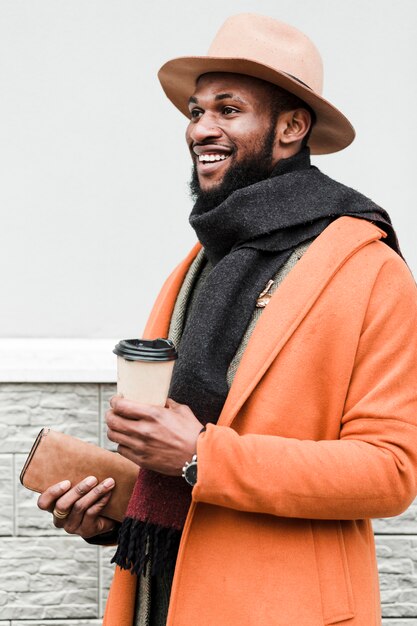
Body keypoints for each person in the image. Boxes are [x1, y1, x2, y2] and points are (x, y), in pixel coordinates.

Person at [37, 13, 417, 626]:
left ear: (292, 126)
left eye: (228, 109)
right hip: (161, 599)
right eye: (196, 112)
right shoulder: (195, 266)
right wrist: (112, 514)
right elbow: (174, 457)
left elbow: (391, 472)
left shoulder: (369, 269)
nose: (201, 129)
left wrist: (201, 457)